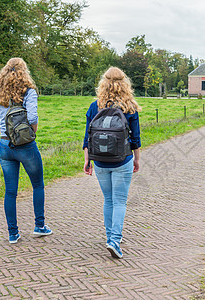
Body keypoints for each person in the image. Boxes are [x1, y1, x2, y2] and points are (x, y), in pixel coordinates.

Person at [0, 57, 52, 244]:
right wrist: (31, 134)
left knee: (10, 191)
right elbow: (32, 117)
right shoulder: (29, 91)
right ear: (24, 71)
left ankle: (13, 233)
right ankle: (39, 226)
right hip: (25, 145)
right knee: (38, 185)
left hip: (4, 145)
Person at [83, 67, 141, 259]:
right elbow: (135, 139)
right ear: (125, 84)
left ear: (103, 83)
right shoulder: (130, 106)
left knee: (108, 200)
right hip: (122, 159)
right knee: (119, 201)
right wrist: (137, 159)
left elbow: (87, 137)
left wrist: (87, 160)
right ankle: (115, 240)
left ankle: (111, 237)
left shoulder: (95, 106)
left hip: (99, 161)